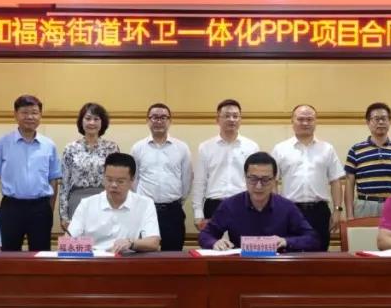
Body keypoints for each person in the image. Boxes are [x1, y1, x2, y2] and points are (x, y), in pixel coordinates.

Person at [198, 152, 319, 252]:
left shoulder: (287, 207)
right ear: (245, 178)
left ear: (274, 180)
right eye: (253, 179)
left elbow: (312, 238)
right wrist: (214, 242)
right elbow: (205, 235)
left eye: (265, 180)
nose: (259, 186)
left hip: (278, 267)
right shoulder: (230, 206)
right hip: (241, 267)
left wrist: (286, 241)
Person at [0, 94, 62, 251]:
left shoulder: (49, 145)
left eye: (34, 112)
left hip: (40, 208)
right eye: (25, 112)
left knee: (41, 253)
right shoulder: (2, 143)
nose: (30, 117)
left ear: (40, 115)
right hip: (11, 207)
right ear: (15, 114)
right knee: (8, 253)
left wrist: (49, 208)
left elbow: (54, 179)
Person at [271, 104, 345, 251]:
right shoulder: (280, 149)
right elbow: (272, 181)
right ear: (292, 121)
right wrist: (275, 208)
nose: (305, 123)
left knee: (319, 252)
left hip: (319, 211)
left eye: (309, 119)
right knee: (289, 251)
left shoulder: (327, 149)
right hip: (290, 210)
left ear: (315, 121)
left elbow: (335, 181)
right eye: (300, 119)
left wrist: (337, 210)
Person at [67, 153, 161, 254]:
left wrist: (131, 243)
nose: (113, 185)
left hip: (127, 259)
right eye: (109, 180)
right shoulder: (87, 204)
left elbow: (154, 243)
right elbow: (67, 243)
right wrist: (96, 250)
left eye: (120, 181)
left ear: (132, 180)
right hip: (94, 259)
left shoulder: (145, 204)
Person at [131, 102, 193, 251]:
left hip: (172, 211)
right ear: (147, 120)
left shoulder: (182, 148)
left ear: (170, 121)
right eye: (154, 117)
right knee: (143, 255)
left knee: (173, 255)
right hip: (145, 210)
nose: (158, 121)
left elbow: (186, 179)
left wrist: (177, 200)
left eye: (163, 117)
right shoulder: (138, 148)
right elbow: (133, 179)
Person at [191, 99, 259, 229]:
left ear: (240, 119)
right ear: (217, 120)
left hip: (243, 204)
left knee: (242, 241)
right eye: (227, 116)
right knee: (214, 241)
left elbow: (256, 181)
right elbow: (199, 181)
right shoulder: (205, 147)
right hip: (214, 205)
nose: (232, 119)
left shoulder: (252, 147)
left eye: (235, 116)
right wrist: (198, 213)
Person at [345, 102, 391, 219]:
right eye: (376, 119)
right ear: (368, 122)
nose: (381, 122)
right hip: (365, 206)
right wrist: (349, 215)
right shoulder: (355, 150)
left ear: (389, 121)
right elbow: (349, 184)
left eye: (384, 118)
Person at [59, 102, 119, 230]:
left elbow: (116, 180)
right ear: (81, 121)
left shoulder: (112, 148)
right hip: (77, 201)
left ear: (102, 123)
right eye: (88, 118)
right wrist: (63, 215)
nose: (92, 122)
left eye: (96, 119)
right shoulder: (70, 148)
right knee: (79, 241)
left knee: (103, 239)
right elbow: (64, 184)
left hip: (104, 201)